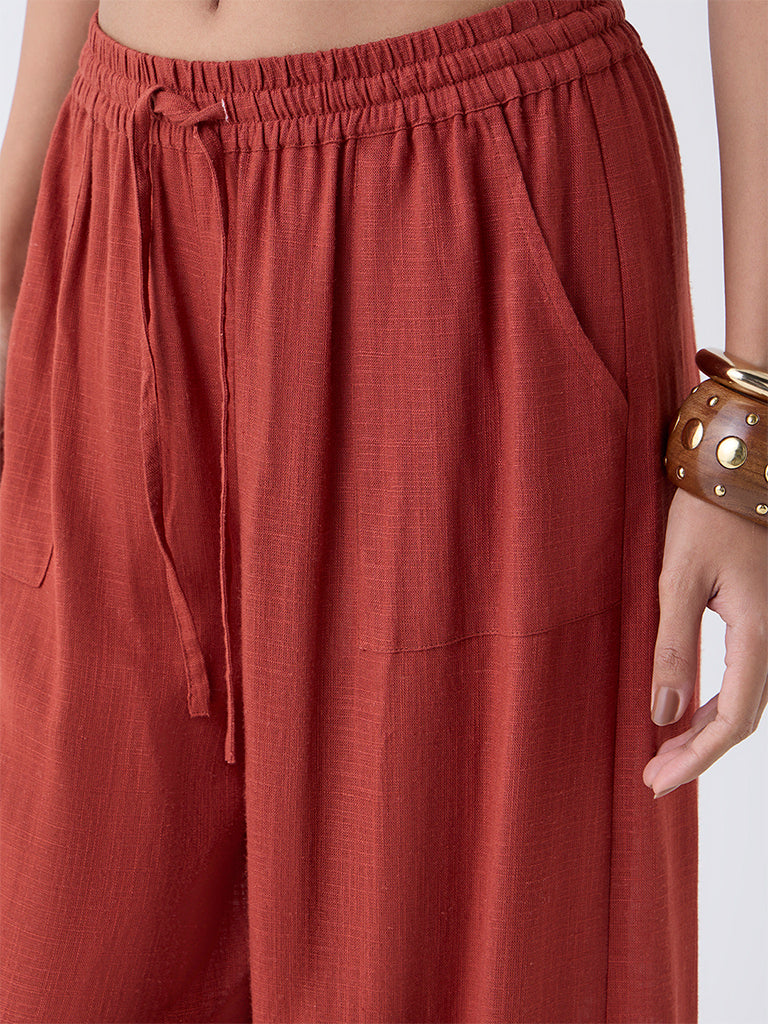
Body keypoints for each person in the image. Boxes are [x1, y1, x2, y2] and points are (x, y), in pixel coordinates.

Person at [0, 0, 765, 1021]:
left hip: (468, 191)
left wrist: (752, 417)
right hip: (115, 196)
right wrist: (11, 245)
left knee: (462, 960)